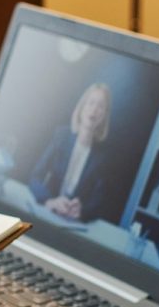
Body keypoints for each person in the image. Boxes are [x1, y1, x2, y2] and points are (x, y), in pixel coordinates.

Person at [27, 82, 114, 223]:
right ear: (82, 107)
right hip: (47, 212)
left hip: (72, 222)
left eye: (101, 106)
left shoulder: (102, 156)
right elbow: (35, 176)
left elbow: (99, 202)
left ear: (104, 115)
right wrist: (49, 200)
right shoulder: (61, 136)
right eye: (91, 103)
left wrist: (82, 211)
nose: (94, 110)